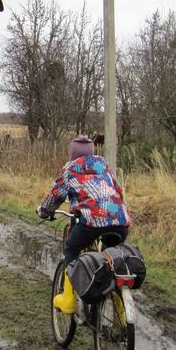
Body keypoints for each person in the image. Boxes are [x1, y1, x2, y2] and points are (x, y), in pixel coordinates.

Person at [36, 135, 130, 314]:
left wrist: (43, 211)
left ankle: (68, 299)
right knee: (110, 260)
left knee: (71, 249)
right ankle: (120, 309)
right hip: (120, 219)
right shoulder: (104, 166)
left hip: (92, 221)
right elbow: (118, 191)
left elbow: (55, 196)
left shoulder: (70, 169)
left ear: (72, 153)